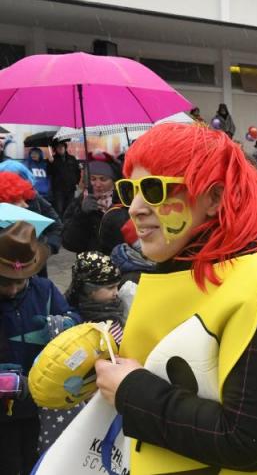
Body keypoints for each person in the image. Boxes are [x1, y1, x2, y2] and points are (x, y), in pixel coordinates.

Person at [92, 123, 257, 474]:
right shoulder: (183, 272)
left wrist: (131, 390)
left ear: (214, 199)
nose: (135, 208)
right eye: (131, 190)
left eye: (155, 190)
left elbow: (248, 440)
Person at [0, 222, 78, 475]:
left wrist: (63, 324)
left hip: (39, 403)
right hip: (2, 413)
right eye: (5, 283)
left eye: (19, 283)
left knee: (38, 460)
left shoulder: (43, 290)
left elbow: (74, 322)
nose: (12, 290)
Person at [38, 251, 125, 454]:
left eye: (117, 286)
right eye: (110, 287)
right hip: (88, 397)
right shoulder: (80, 323)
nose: (116, 292)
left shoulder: (116, 308)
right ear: (89, 290)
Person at [61, 155, 130, 254]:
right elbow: (69, 243)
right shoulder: (78, 203)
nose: (97, 184)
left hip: (119, 265)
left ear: (114, 181)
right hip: (90, 266)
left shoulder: (124, 203)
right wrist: (82, 214)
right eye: (93, 179)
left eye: (103, 179)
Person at [0, 165, 64, 265]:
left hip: (35, 264)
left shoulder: (33, 198)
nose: (25, 205)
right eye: (18, 201)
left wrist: (47, 249)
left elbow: (56, 226)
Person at [47, 141, 81, 217]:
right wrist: (51, 163)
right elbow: (49, 173)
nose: (60, 148)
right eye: (58, 147)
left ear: (65, 147)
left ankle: (68, 225)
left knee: (70, 209)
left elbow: (77, 172)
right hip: (58, 190)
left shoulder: (72, 158)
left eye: (62, 146)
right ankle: (61, 226)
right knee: (59, 209)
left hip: (71, 189)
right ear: (55, 149)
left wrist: (76, 182)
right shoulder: (53, 159)